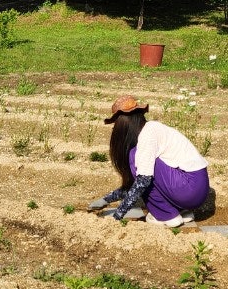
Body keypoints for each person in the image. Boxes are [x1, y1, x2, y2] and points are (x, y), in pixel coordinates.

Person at [87, 95, 211, 227]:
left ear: (124, 124)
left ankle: (168, 217)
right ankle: (182, 211)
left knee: (139, 165)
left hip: (189, 188)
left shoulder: (147, 136)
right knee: (144, 170)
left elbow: (142, 182)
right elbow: (137, 183)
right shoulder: (152, 129)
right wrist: (106, 200)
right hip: (197, 190)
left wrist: (117, 215)